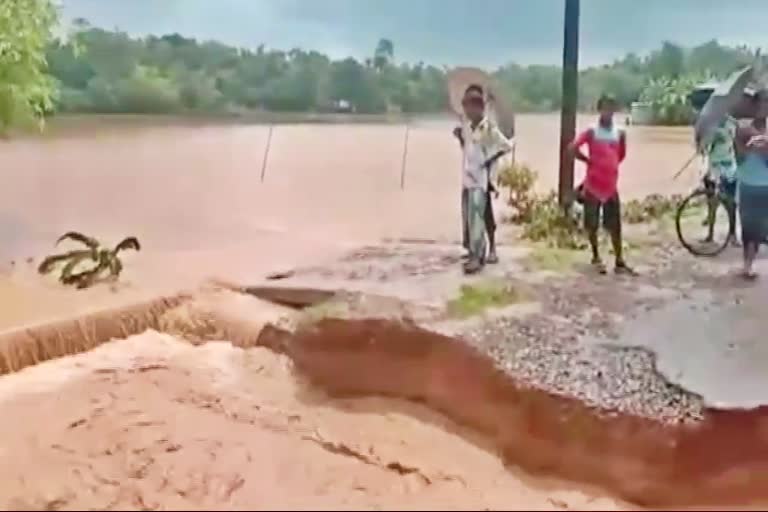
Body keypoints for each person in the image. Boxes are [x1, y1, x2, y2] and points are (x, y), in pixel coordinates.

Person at [568, 94, 635, 275]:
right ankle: (596, 256)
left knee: (615, 225)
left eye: (611, 108)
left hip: (611, 185)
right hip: (592, 184)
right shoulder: (591, 131)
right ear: (599, 109)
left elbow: (621, 155)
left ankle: (619, 260)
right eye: (605, 108)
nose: (608, 112)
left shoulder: (620, 133)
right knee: (592, 223)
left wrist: (609, 166)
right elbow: (572, 148)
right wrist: (588, 161)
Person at [452, 84, 513, 274]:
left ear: (478, 107)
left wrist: (489, 160)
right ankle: (474, 252)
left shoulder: (488, 128)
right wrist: (460, 139)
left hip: (481, 180)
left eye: (470, 107)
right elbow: (469, 150)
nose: (467, 111)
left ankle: (477, 257)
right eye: (465, 107)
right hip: (469, 178)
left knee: (479, 218)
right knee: (469, 218)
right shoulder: (469, 128)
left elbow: (505, 145)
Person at [734, 90, 768, 280]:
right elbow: (739, 156)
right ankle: (747, 265)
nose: (764, 108)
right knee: (748, 227)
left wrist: (765, 145)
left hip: (766, 185)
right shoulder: (742, 128)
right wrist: (749, 144)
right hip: (747, 183)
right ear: (754, 106)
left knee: (763, 227)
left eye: (767, 104)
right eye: (761, 104)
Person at [703, 113, 739, 246]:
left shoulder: (733, 124)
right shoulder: (710, 125)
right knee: (711, 203)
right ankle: (710, 235)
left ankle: (733, 235)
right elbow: (704, 147)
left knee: (731, 204)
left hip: (729, 167)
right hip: (714, 167)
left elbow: (736, 145)